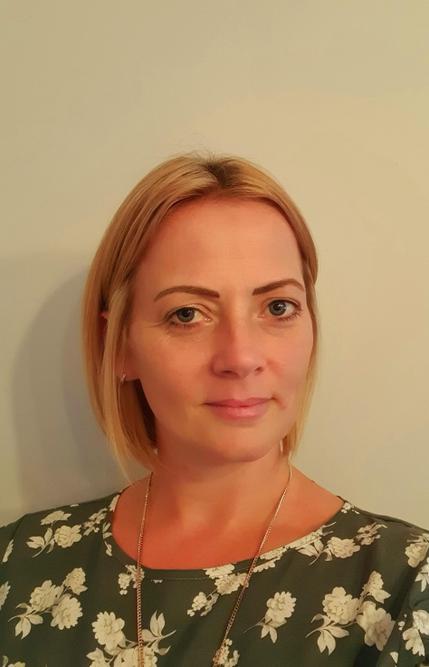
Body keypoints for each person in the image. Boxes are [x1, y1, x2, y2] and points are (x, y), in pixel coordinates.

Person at [0, 152, 428, 667]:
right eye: (187, 314)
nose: (241, 358)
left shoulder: (406, 587)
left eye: (278, 307)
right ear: (120, 347)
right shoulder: (19, 563)